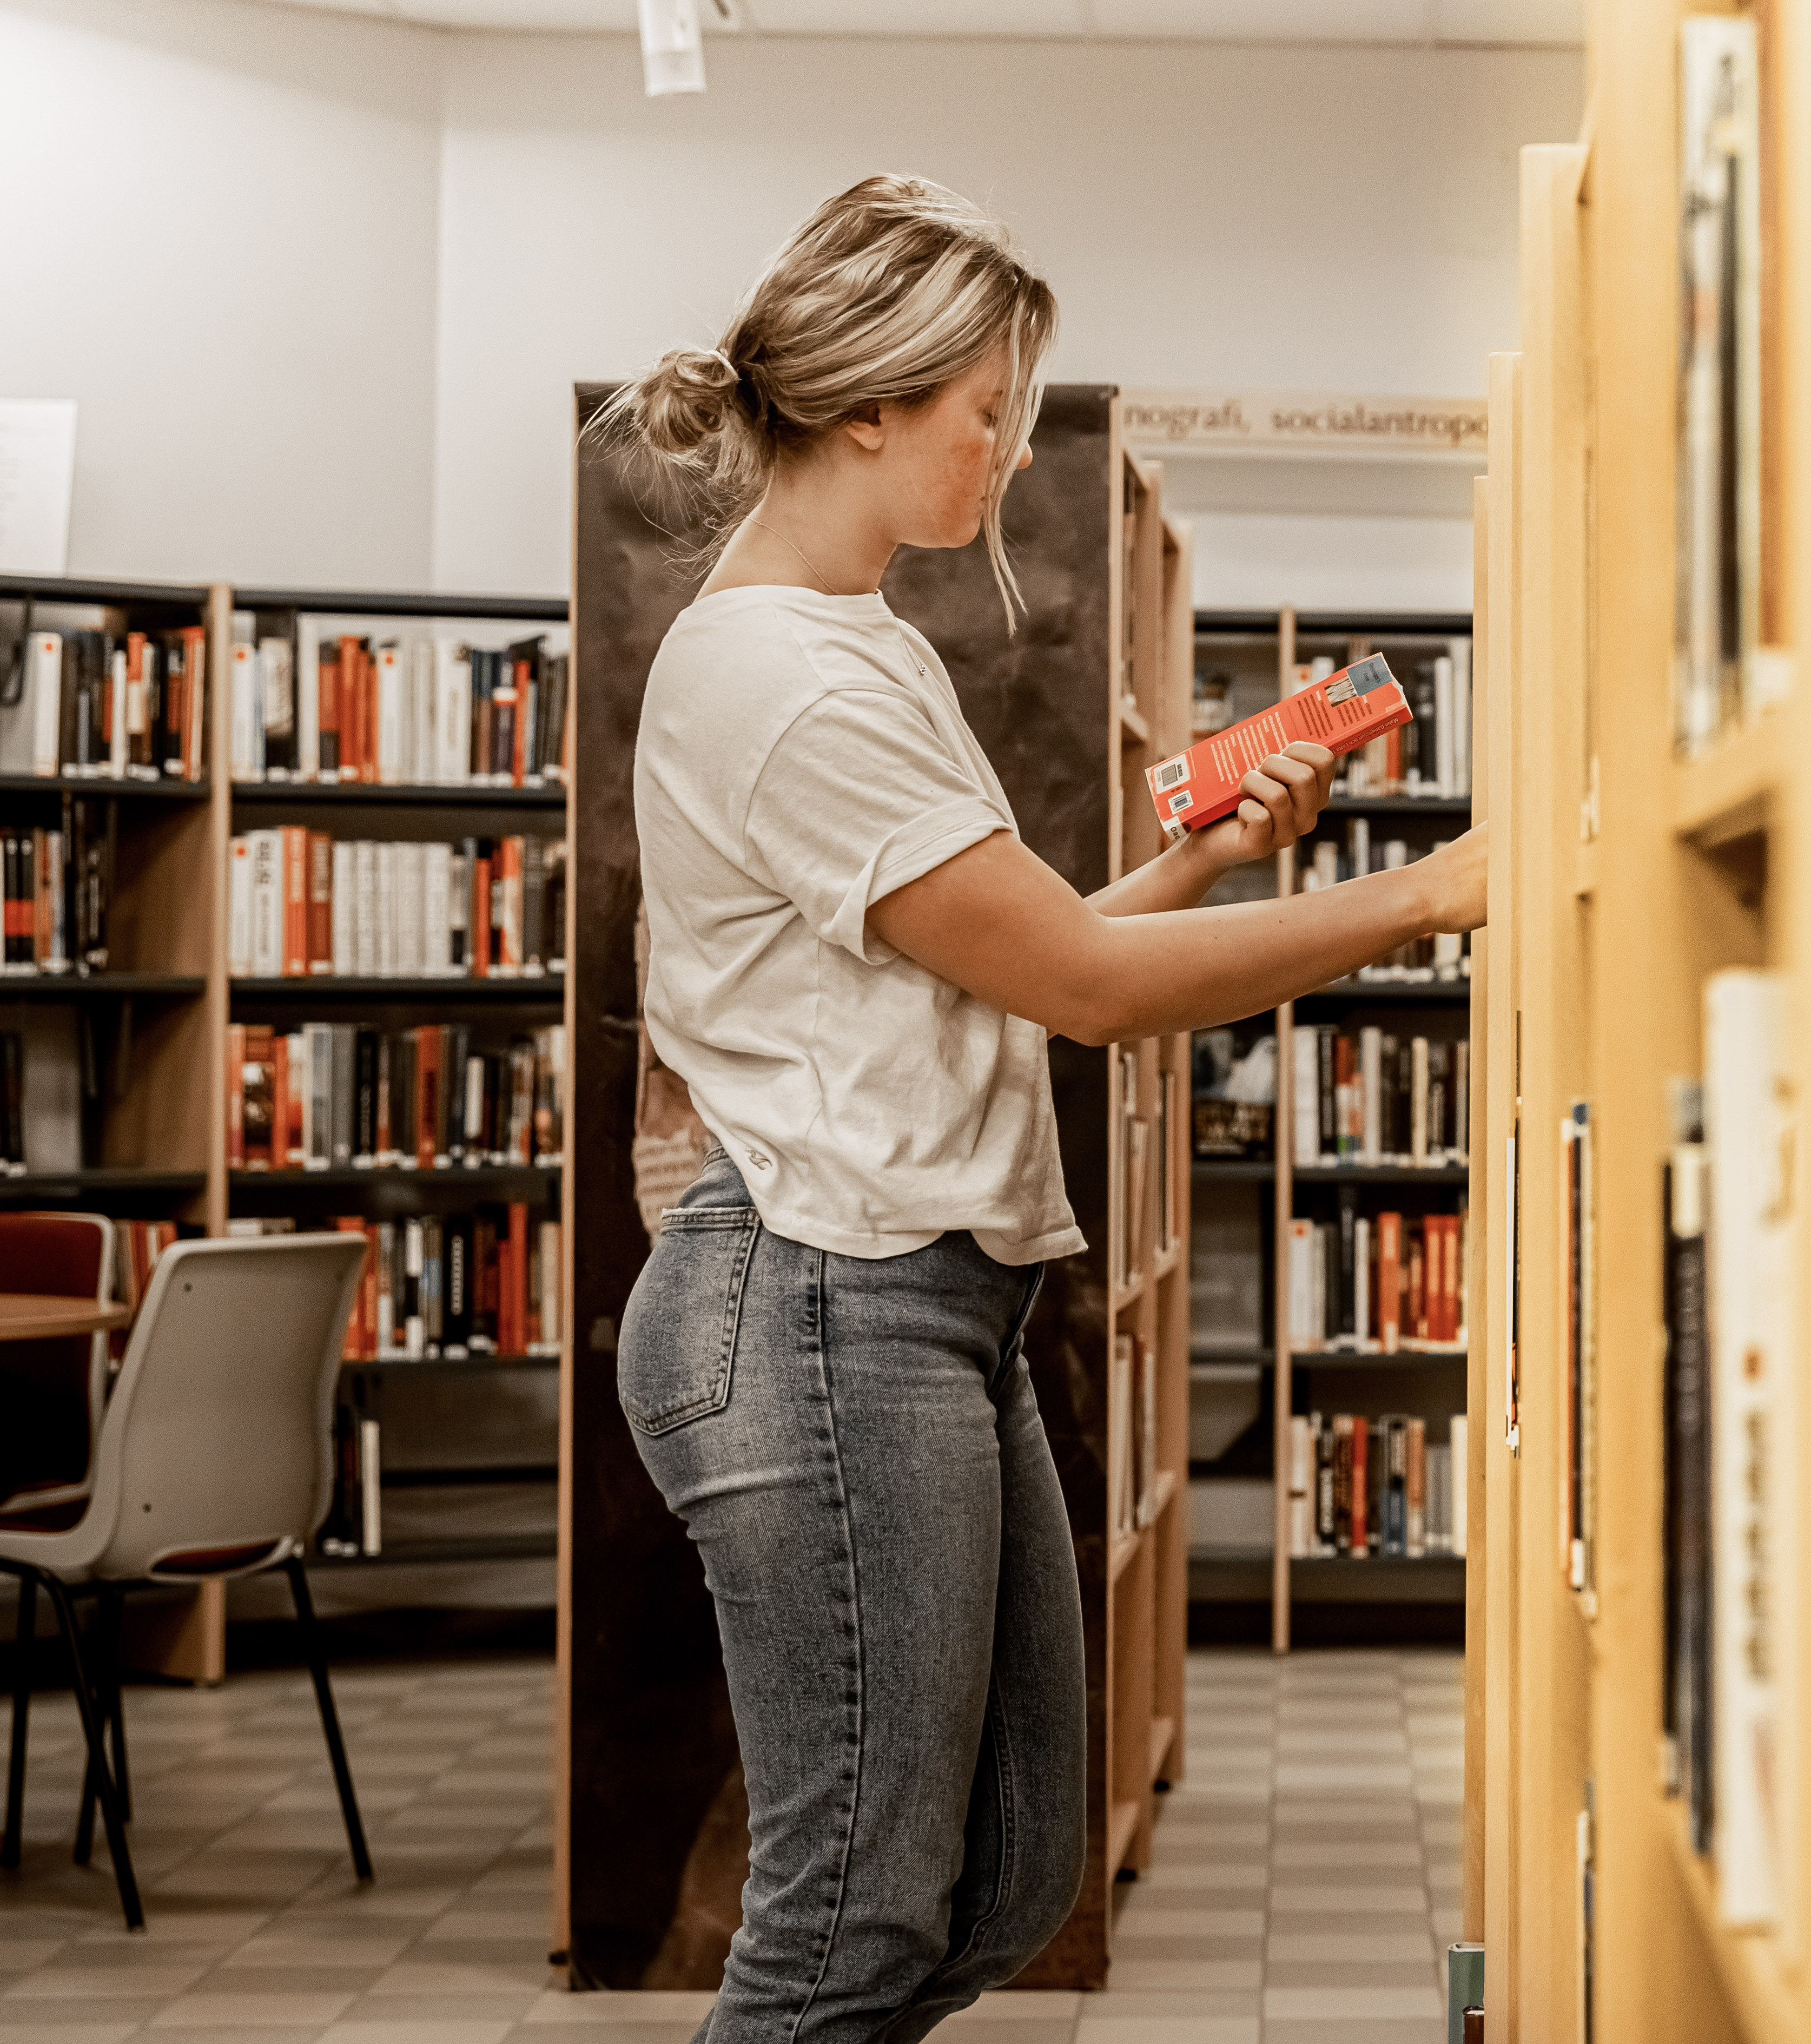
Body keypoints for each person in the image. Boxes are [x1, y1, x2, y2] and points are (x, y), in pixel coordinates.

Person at [594, 175, 1485, 2044]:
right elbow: (1082, 994)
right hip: (822, 1304)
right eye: (984, 409)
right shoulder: (773, 673)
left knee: (997, 1879)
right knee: (844, 1919)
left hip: (924, 1304)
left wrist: (1223, 865)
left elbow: (1030, 949)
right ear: (866, 408)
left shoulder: (867, 646)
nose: (1007, 448)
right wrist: (1423, 893)